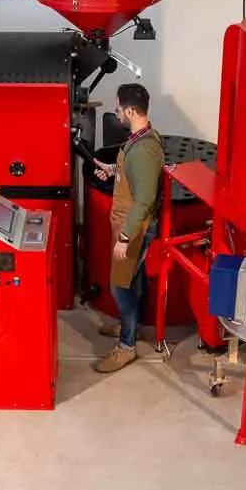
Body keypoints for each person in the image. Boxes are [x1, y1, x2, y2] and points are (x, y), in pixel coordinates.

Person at [92, 83, 165, 373]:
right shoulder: (141, 137)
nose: (116, 112)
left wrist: (125, 237)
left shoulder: (145, 150)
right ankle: (130, 326)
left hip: (134, 229)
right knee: (134, 281)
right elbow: (134, 176)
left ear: (131, 111)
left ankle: (126, 346)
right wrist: (113, 171)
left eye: (119, 108)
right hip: (129, 225)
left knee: (120, 285)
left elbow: (144, 201)